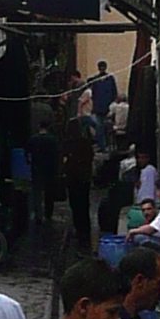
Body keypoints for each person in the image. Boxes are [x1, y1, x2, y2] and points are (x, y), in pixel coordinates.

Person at [61, 102, 97, 251]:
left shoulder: (69, 144)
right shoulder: (85, 144)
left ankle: (79, 228)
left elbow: (64, 158)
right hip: (84, 178)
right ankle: (84, 230)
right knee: (84, 204)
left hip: (73, 178)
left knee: (75, 205)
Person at [28, 111, 62, 234]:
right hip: (50, 170)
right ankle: (48, 214)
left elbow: (28, 153)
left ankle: (38, 215)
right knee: (49, 193)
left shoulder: (33, 139)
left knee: (36, 193)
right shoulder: (52, 140)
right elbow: (57, 155)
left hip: (36, 169)